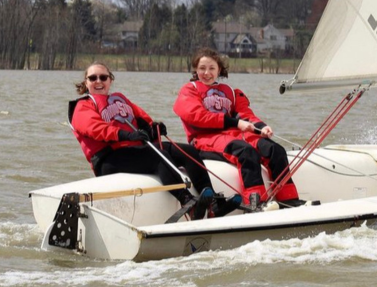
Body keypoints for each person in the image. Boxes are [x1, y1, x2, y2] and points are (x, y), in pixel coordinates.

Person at [70, 62, 233, 220]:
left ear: (110, 80)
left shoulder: (120, 100)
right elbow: (94, 128)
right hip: (110, 158)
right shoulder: (83, 106)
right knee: (158, 156)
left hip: (136, 150)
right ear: (86, 82)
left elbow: (143, 120)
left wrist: (153, 129)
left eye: (103, 77)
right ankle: (187, 201)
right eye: (93, 78)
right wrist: (126, 136)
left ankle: (212, 203)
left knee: (186, 151)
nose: (98, 81)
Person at [173, 47, 301, 208]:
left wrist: (261, 127)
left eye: (212, 68)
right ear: (195, 70)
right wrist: (235, 123)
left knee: (276, 150)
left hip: (232, 135)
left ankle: (288, 199)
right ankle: (255, 202)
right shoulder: (189, 90)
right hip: (204, 139)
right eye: (202, 68)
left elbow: (245, 115)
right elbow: (197, 116)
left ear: (219, 69)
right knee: (246, 152)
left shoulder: (231, 92)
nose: (207, 73)